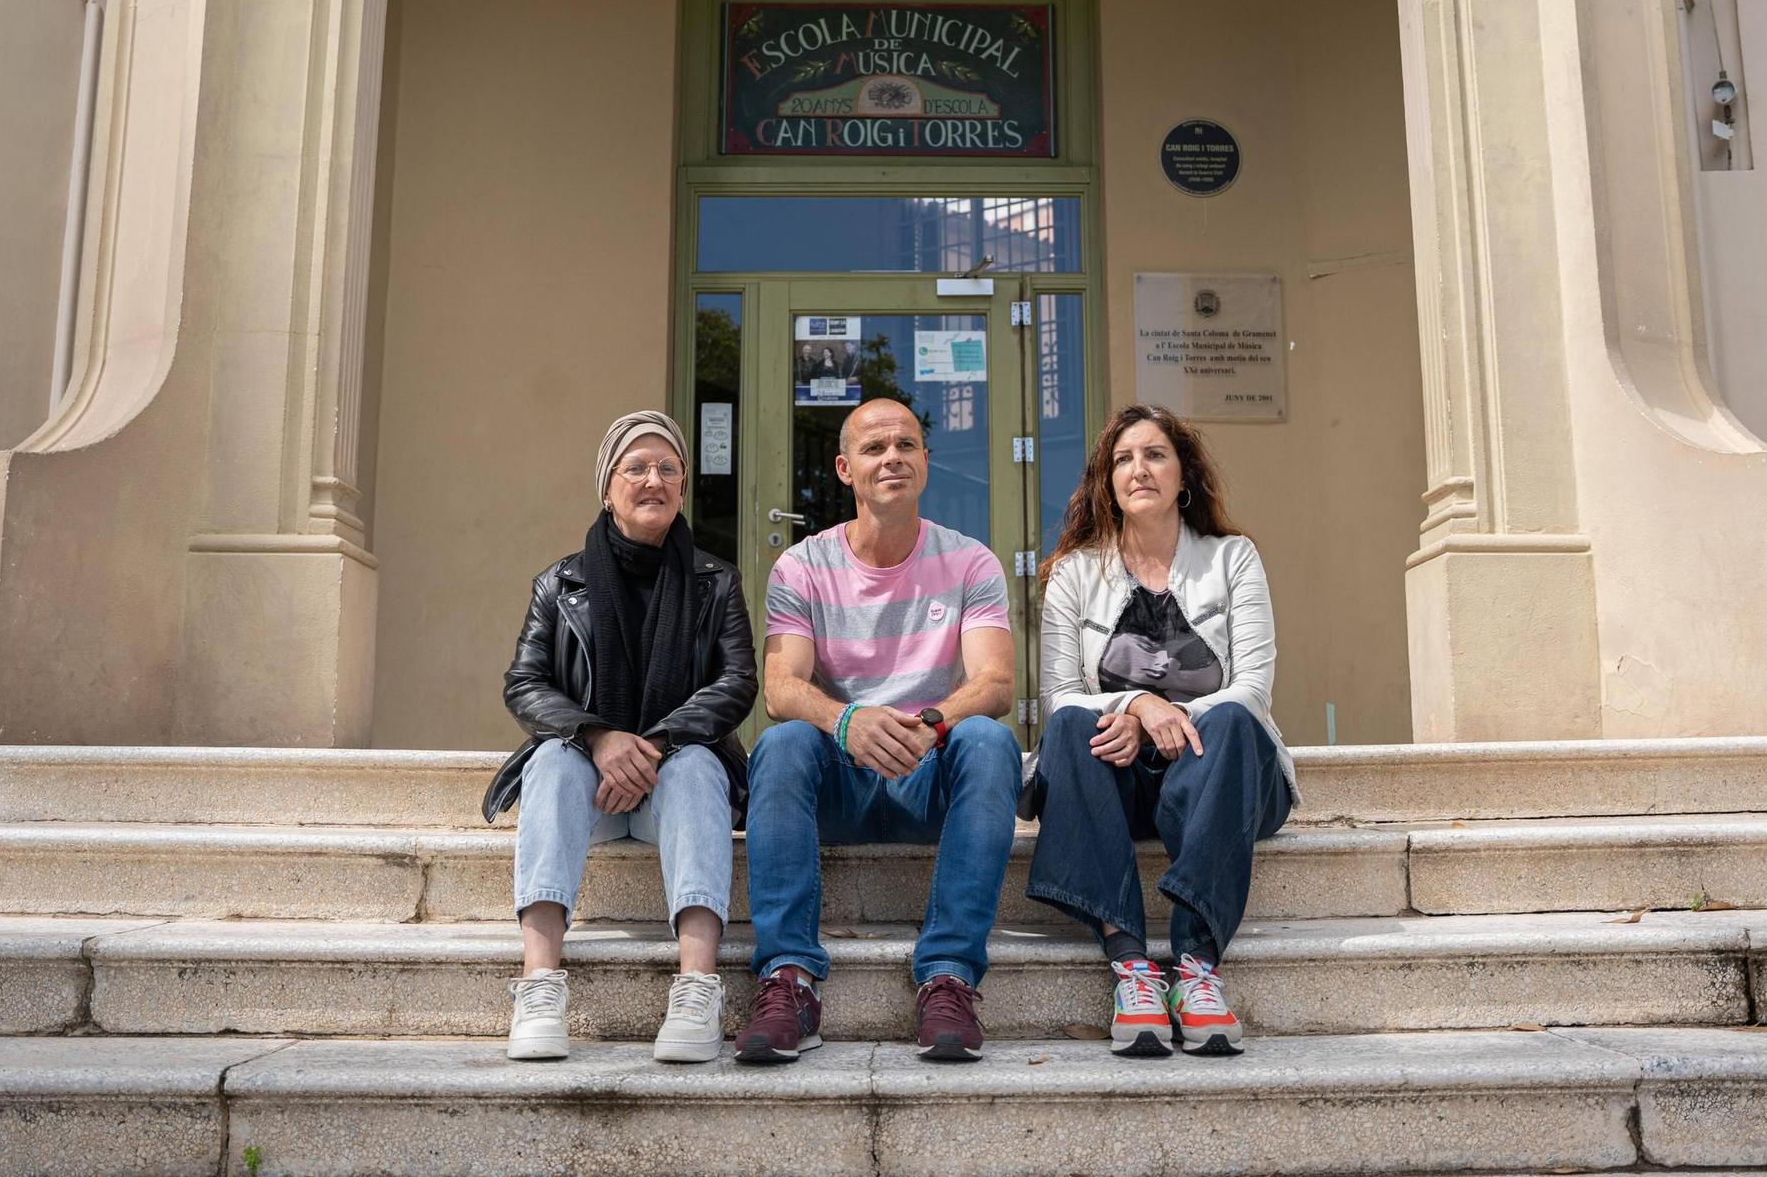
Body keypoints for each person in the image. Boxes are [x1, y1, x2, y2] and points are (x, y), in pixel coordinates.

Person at [736, 398, 1019, 1065]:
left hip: (927, 776)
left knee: (989, 741)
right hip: (842, 780)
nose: (893, 456)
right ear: (844, 468)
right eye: (874, 447)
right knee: (782, 743)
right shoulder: (801, 567)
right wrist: (845, 720)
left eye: (907, 444)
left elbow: (997, 683)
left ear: (924, 461)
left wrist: (932, 722)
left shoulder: (972, 562)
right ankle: (789, 979)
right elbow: (779, 688)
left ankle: (948, 976)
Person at [1023, 403, 1297, 1057]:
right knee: (1066, 730)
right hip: (1116, 781)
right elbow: (1059, 696)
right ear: (1106, 482)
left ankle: (1196, 966)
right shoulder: (1073, 572)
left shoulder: (1233, 558)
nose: (1138, 468)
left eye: (1154, 454)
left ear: (1184, 476)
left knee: (1232, 717)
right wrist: (1139, 706)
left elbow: (1253, 688)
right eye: (1123, 458)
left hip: (1216, 773)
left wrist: (1163, 719)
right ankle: (1132, 968)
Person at [484, 410, 756, 1063]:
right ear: (607, 487)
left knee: (698, 769)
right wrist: (599, 736)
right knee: (550, 761)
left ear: (684, 487)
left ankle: (695, 988)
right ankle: (540, 985)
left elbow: (737, 681)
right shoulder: (560, 582)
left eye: (667, 468)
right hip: (592, 789)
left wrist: (656, 743)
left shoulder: (715, 583)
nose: (652, 479)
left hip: (670, 783)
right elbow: (525, 682)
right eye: (635, 467)